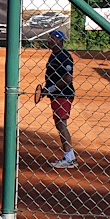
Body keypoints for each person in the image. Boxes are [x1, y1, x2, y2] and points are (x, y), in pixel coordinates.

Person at [39, 28, 78, 168]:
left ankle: (69, 158)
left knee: (61, 124)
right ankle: (70, 156)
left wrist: (51, 89)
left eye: (53, 38)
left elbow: (67, 78)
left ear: (60, 41)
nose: (50, 40)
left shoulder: (64, 56)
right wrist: (48, 89)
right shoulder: (54, 55)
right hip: (56, 95)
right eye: (50, 38)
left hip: (63, 94)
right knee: (60, 124)